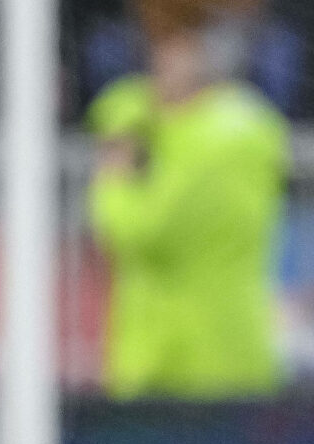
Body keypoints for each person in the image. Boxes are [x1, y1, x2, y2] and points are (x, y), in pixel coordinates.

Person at [85, 31, 289, 399]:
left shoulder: (203, 145)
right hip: (231, 345)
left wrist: (114, 177)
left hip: (180, 358)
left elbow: (138, 231)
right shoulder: (248, 127)